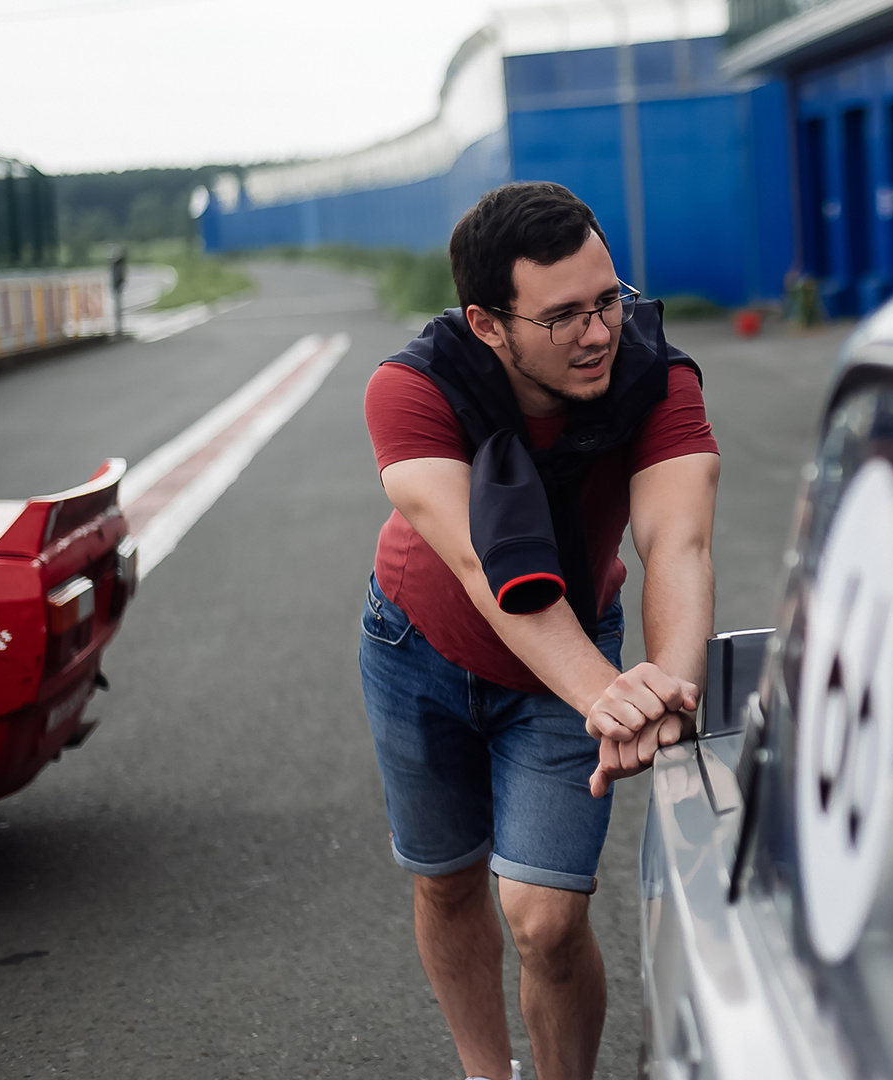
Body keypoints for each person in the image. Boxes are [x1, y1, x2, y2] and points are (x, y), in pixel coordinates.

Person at [359, 181, 719, 1080]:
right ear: (488, 324)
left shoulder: (657, 377)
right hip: (416, 647)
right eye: (562, 318)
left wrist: (665, 693)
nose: (598, 334)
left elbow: (677, 542)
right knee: (447, 881)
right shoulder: (412, 387)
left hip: (570, 652)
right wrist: (612, 700)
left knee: (548, 920)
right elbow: (480, 562)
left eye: (608, 300)